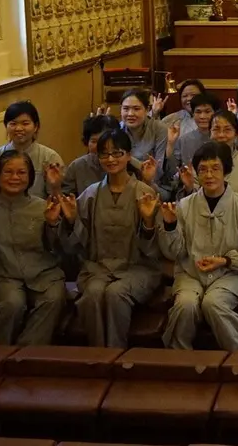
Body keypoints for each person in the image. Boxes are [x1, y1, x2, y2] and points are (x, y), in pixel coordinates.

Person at [57, 129, 162, 348]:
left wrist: (149, 222)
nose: (111, 159)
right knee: (93, 293)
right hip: (98, 268)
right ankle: (97, 355)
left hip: (137, 268)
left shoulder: (144, 193)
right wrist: (71, 220)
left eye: (117, 153)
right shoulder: (91, 193)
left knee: (116, 293)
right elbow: (76, 244)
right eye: (104, 154)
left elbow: (155, 249)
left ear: (128, 155)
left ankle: (116, 355)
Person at [159, 142, 238, 351]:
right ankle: (179, 359)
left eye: (215, 168)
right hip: (191, 273)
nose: (209, 175)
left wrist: (226, 260)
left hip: (230, 274)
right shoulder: (184, 205)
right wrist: (170, 225)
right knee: (185, 305)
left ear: (226, 170)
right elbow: (174, 252)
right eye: (203, 169)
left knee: (213, 303)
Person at [0, 150, 66, 345]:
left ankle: (26, 355)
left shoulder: (42, 207)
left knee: (54, 299)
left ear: (30, 177)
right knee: (12, 303)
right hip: (2, 275)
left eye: (21, 173)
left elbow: (57, 248)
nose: (15, 177)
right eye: (8, 172)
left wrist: (52, 224)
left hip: (44, 273)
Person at [0, 101, 63, 202]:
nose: (18, 128)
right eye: (13, 124)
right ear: (6, 126)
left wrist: (55, 186)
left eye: (25, 123)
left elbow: (58, 203)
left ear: (36, 127)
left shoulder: (49, 157)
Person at [184, 111, 238, 219]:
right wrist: (188, 187)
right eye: (216, 129)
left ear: (236, 134)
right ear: (209, 132)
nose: (221, 135)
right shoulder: (200, 162)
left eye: (227, 130)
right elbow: (193, 199)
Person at [118, 90, 169, 192]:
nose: (130, 114)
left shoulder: (159, 128)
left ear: (147, 110)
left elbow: (158, 171)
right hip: (123, 184)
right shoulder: (117, 130)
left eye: (136, 109)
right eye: (125, 109)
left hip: (153, 184)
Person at [166, 92, 221, 178]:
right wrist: (170, 144)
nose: (202, 116)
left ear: (216, 113)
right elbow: (173, 171)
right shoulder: (184, 139)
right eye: (198, 112)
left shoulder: (223, 138)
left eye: (207, 112)